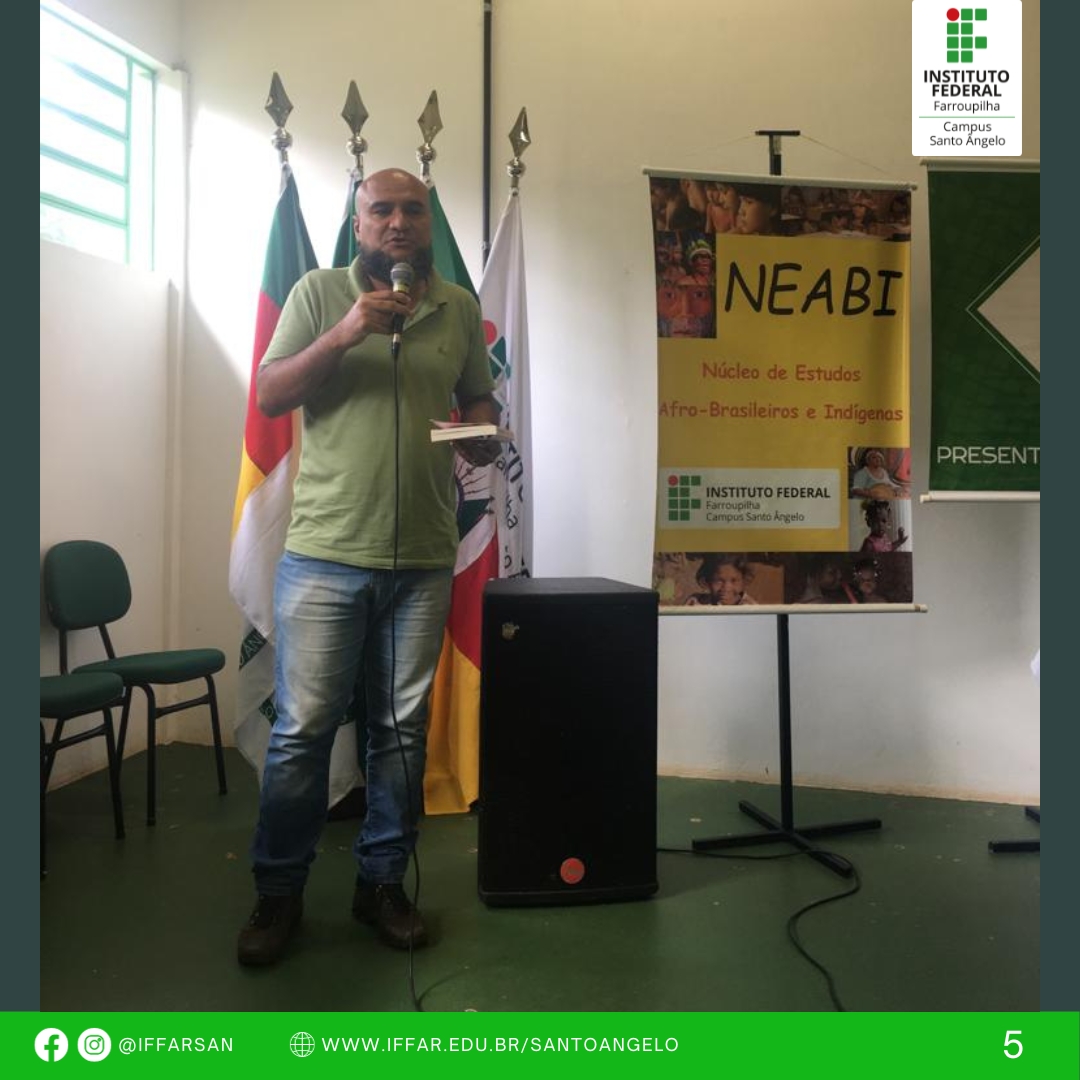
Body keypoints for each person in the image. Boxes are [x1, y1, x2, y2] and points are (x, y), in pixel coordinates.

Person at [236, 169, 500, 967]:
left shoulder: (457, 307)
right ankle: (278, 892)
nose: (397, 222)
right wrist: (345, 332)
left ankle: (381, 883)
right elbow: (271, 394)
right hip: (325, 554)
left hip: (422, 557)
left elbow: (477, 398)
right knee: (303, 732)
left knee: (401, 734)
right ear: (359, 226)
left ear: (428, 222)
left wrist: (481, 432)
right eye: (380, 210)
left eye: (412, 209)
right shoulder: (319, 294)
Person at [686, 553, 757, 606]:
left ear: (744, 581)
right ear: (707, 581)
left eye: (734, 581)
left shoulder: (750, 608)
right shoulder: (695, 602)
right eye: (719, 581)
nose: (727, 588)